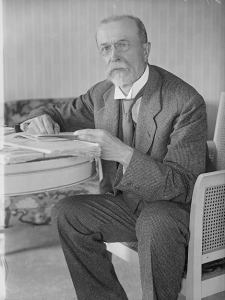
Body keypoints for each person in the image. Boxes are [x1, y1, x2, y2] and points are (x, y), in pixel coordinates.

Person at [21, 15, 208, 300]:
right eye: (105, 48)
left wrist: (123, 154)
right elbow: (57, 113)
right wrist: (38, 120)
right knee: (67, 213)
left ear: (145, 49)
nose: (114, 56)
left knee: (155, 222)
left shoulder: (184, 100)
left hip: (171, 208)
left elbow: (183, 185)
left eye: (123, 44)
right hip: (125, 204)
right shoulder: (102, 93)